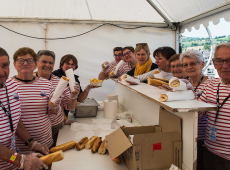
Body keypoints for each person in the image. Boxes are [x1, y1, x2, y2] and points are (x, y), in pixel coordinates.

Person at [0, 47, 49, 170]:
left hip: (12, 162)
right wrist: (21, 160)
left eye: (4, 65)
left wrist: (31, 143)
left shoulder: (11, 85)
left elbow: (14, 118)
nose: (1, 72)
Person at [12, 47, 60, 154]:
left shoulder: (46, 84)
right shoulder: (8, 86)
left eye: (29, 60)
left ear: (35, 64)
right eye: (21, 60)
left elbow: (53, 114)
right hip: (19, 149)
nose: (25, 63)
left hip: (45, 143)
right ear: (14, 64)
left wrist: (54, 107)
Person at [35, 50, 79, 146]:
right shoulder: (29, 80)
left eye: (50, 62)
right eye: (44, 61)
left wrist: (73, 97)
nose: (47, 65)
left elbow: (70, 107)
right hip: (34, 130)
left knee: (53, 155)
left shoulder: (60, 81)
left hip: (55, 127)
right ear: (36, 63)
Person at [199, 43, 230, 170]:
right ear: (213, 62)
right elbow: (199, 113)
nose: (225, 66)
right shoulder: (211, 85)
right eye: (219, 61)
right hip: (210, 151)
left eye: (229, 60)